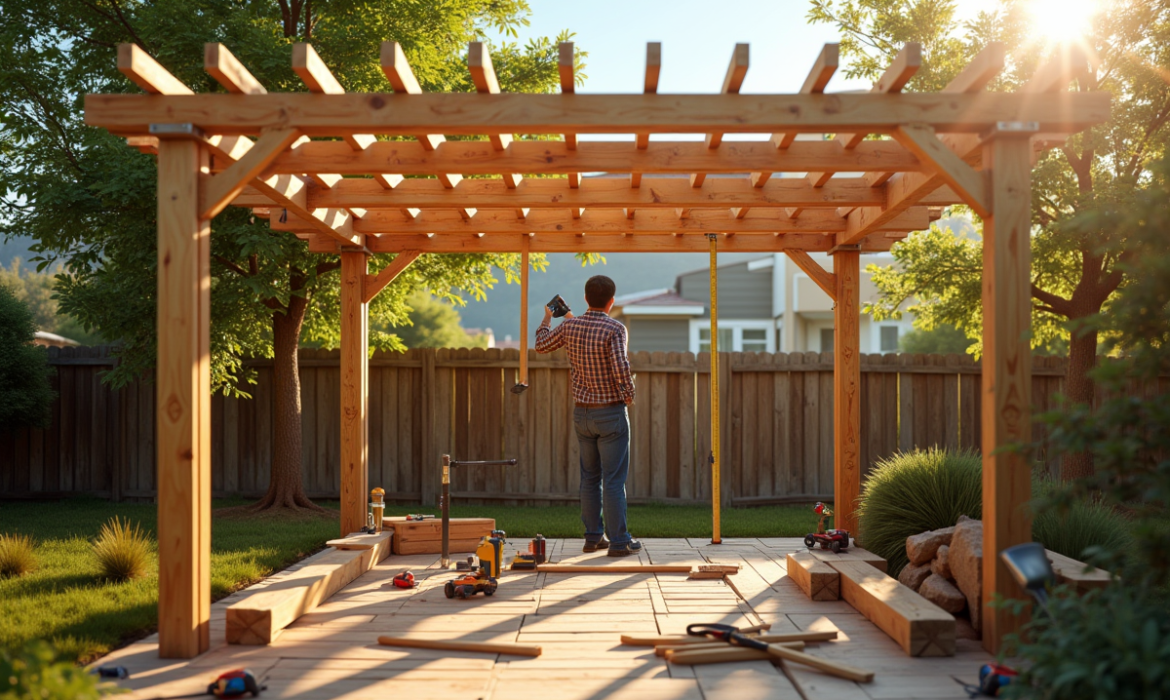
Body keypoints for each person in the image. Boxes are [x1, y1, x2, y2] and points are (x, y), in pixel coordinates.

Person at [535, 275, 640, 556]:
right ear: (612, 301)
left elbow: (541, 345)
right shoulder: (615, 329)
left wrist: (548, 317)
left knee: (589, 478)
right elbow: (621, 367)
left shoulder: (570, 325)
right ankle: (619, 542)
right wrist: (628, 395)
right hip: (611, 414)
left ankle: (593, 537)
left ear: (585, 298)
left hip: (582, 415)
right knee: (614, 480)